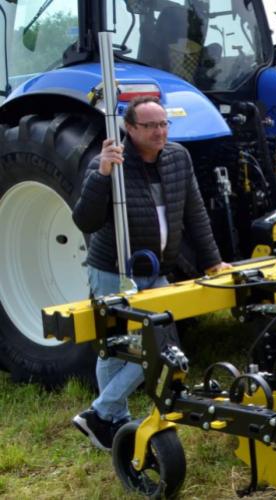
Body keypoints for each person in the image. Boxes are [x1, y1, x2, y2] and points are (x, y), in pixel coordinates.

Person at [71, 95, 231, 450]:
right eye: (150, 125)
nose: (160, 132)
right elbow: (85, 219)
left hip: (157, 270)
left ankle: (101, 413)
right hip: (113, 271)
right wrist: (102, 175)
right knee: (115, 350)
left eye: (163, 124)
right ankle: (111, 420)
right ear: (129, 128)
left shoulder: (178, 158)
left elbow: (195, 213)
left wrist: (212, 260)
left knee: (164, 345)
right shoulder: (108, 163)